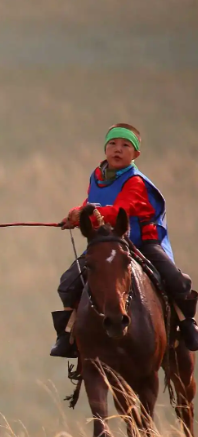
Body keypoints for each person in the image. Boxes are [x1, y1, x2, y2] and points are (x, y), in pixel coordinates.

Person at [51, 123, 198, 357]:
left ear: (135, 154)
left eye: (125, 145)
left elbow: (120, 211)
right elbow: (91, 202)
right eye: (112, 144)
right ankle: (67, 334)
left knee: (176, 279)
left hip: (143, 243)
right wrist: (75, 214)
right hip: (107, 243)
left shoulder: (135, 181)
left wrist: (86, 212)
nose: (117, 149)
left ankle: (187, 323)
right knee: (68, 283)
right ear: (105, 149)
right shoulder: (97, 176)